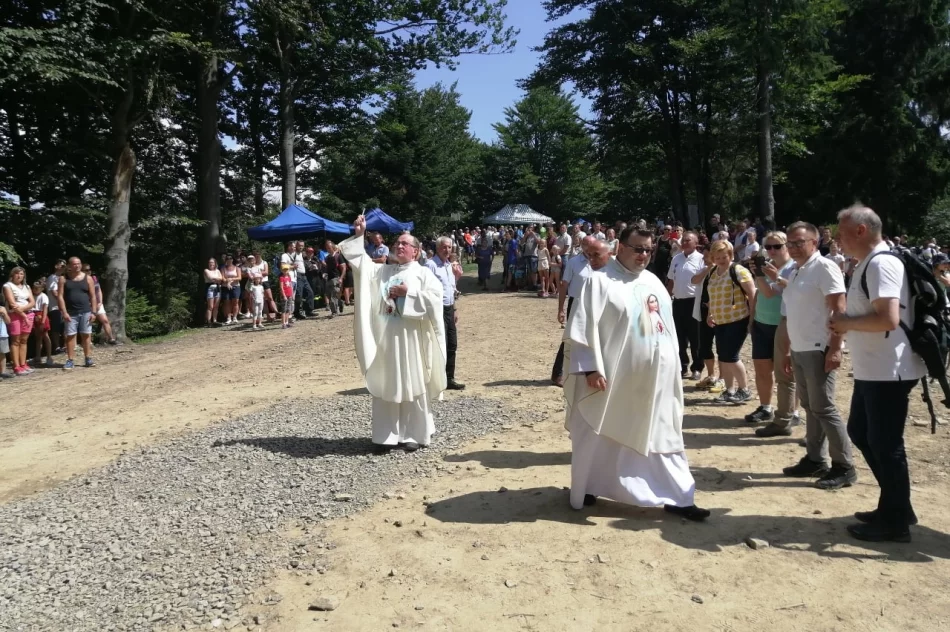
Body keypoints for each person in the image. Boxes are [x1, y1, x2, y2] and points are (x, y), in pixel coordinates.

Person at [563, 226, 710, 521]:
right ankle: (590, 484)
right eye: (637, 248)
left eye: (648, 250)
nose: (643, 255)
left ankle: (679, 496)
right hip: (612, 378)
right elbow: (581, 328)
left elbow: (663, 328)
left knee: (663, 432)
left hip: (655, 380)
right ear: (621, 248)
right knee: (599, 431)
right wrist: (591, 368)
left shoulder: (654, 281)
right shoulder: (598, 281)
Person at [831, 205, 927, 542]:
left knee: (887, 445)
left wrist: (844, 323)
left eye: (841, 232)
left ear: (860, 230)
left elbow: (888, 319)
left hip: (890, 370)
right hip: (874, 368)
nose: (837, 238)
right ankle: (896, 505)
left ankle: (896, 521)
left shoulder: (882, 263)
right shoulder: (867, 264)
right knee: (861, 432)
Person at [341, 214, 447, 453]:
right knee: (387, 382)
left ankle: (412, 434)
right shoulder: (384, 272)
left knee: (412, 383)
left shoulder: (423, 274)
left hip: (412, 340)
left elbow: (435, 302)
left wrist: (408, 294)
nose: (399, 245)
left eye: (405, 243)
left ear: (416, 252)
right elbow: (362, 266)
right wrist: (360, 235)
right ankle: (386, 436)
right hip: (387, 339)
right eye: (397, 242)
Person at [778, 222, 855, 489]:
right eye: (790, 243)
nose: (793, 247)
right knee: (811, 406)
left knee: (824, 407)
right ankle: (815, 459)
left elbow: (839, 309)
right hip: (801, 348)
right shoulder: (798, 270)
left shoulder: (824, 267)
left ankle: (844, 466)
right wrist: (789, 350)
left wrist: (835, 347)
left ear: (814, 242)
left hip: (818, 347)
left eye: (799, 242)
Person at [747, 232, 799, 431]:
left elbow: (774, 292)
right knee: (762, 369)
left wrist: (767, 276)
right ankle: (766, 407)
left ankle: (793, 411)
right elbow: (761, 293)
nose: (772, 251)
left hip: (784, 324)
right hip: (762, 321)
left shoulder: (793, 267)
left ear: (787, 246)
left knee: (786, 371)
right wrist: (752, 318)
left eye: (777, 246)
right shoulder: (768, 266)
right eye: (768, 247)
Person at [702, 240, 756, 403]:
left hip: (737, 319)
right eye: (717, 257)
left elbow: (752, 294)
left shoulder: (738, 270)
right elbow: (712, 296)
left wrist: (752, 319)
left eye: (723, 256)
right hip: (720, 321)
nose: (720, 260)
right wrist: (710, 314)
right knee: (723, 356)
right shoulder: (712, 272)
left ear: (730, 255)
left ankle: (744, 390)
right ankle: (730, 391)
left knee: (731, 356)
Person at [552, 238, 610, 386]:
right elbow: (564, 285)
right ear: (581, 246)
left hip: (598, 303)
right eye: (585, 245)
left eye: (591, 245)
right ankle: (558, 373)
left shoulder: (604, 262)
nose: (588, 249)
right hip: (577, 303)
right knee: (572, 337)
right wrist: (561, 309)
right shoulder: (573, 262)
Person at [426, 237, 465, 391]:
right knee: (440, 344)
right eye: (444, 247)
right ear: (437, 248)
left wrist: (454, 309)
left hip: (449, 308)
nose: (447, 250)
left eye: (449, 247)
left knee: (452, 344)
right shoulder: (431, 265)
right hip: (437, 309)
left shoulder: (449, 265)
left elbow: (451, 289)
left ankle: (449, 378)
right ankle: (437, 379)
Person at [666, 231, 705, 380]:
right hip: (678, 301)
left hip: (694, 301)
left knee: (695, 336)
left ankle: (697, 367)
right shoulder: (676, 258)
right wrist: (667, 296)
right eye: (683, 240)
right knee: (679, 336)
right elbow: (671, 280)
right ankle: (683, 366)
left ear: (696, 243)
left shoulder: (701, 260)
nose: (684, 242)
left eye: (688, 240)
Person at [57, 257, 97, 370]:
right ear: (69, 266)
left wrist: (94, 312)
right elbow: (60, 296)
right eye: (74, 264)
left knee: (86, 335)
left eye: (79, 263)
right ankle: (70, 360)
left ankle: (88, 358)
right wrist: (64, 312)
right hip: (70, 312)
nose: (77, 266)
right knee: (70, 336)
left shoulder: (88, 278)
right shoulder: (63, 279)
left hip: (86, 311)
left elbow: (93, 296)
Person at [3, 267, 36, 376]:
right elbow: (12, 303)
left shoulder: (27, 286)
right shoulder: (7, 286)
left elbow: (32, 302)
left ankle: (23, 364)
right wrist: (22, 314)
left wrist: (22, 311)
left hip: (28, 313)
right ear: (12, 275)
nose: (19, 276)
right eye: (17, 273)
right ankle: (16, 366)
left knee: (24, 340)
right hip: (15, 315)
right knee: (15, 340)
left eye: (21, 274)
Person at [82, 264, 117, 344]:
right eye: (87, 270)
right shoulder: (81, 281)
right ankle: (89, 342)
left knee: (105, 320)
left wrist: (100, 302)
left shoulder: (94, 278)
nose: (89, 271)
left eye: (90, 269)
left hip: (98, 303)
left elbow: (99, 290)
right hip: (88, 304)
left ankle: (111, 339)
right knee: (89, 322)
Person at [30, 280, 53, 368]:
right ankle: (38, 357)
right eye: (34, 288)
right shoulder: (32, 296)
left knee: (45, 336)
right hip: (34, 315)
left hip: (41, 315)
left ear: (42, 289)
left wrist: (43, 321)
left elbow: (45, 309)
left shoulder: (43, 296)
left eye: (37, 288)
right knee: (38, 337)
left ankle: (49, 357)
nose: (35, 290)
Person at [46, 260, 66, 354]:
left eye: (64, 266)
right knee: (56, 328)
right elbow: (54, 293)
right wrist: (64, 302)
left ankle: (66, 346)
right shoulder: (52, 278)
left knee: (66, 326)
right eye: (61, 265)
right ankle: (57, 347)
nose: (63, 267)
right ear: (56, 266)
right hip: (55, 307)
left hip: (64, 307)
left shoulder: (64, 277)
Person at [323, 240, 346, 318]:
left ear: (333, 247)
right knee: (329, 295)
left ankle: (334, 312)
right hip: (328, 278)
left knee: (333, 296)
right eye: (327, 248)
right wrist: (324, 273)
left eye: (329, 247)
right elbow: (327, 268)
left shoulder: (338, 256)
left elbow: (344, 268)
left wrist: (341, 278)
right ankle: (340, 303)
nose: (328, 249)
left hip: (336, 278)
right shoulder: (327, 257)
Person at [221, 255, 241, 325]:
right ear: (226, 260)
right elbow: (222, 278)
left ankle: (235, 317)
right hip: (225, 287)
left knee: (235, 302)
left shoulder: (237, 268)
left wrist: (231, 279)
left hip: (235, 286)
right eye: (227, 259)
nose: (229, 260)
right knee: (227, 302)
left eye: (230, 258)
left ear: (233, 260)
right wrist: (227, 281)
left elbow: (239, 277)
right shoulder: (223, 268)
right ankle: (228, 318)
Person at [204, 258, 223, 326]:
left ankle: (215, 320)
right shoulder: (206, 270)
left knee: (216, 306)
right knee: (210, 306)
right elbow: (210, 278)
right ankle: (209, 321)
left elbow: (221, 278)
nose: (211, 264)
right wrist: (217, 279)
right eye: (210, 262)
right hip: (210, 288)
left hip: (217, 288)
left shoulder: (217, 271)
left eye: (212, 262)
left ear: (215, 263)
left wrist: (216, 279)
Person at [0, 306, 9, 378]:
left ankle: (3, 372)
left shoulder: (2, 308)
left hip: (2, 334)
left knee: (2, 354)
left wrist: (4, 314)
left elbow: (8, 321)